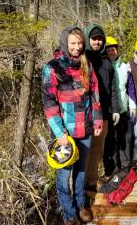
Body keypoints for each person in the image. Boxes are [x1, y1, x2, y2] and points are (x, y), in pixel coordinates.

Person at [41, 27, 103, 225]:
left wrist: (98, 119)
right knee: (64, 174)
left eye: (79, 43)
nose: (77, 47)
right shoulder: (52, 68)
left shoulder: (86, 64)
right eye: (73, 43)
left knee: (81, 171)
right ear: (65, 44)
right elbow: (49, 105)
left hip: (85, 128)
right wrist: (59, 133)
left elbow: (95, 94)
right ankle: (69, 214)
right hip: (65, 133)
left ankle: (80, 205)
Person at [84, 24, 120, 189]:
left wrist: (116, 109)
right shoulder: (84, 57)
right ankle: (81, 182)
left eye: (99, 39)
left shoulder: (107, 61)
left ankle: (91, 182)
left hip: (104, 112)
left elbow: (113, 87)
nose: (97, 42)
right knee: (85, 150)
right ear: (88, 39)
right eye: (94, 39)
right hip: (85, 113)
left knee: (98, 150)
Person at [103, 36, 135, 174]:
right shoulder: (102, 67)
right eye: (108, 49)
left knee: (126, 138)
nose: (111, 52)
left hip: (123, 109)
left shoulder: (124, 67)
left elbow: (130, 88)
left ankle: (126, 164)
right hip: (108, 111)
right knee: (111, 141)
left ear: (117, 50)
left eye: (113, 49)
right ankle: (111, 168)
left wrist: (132, 106)